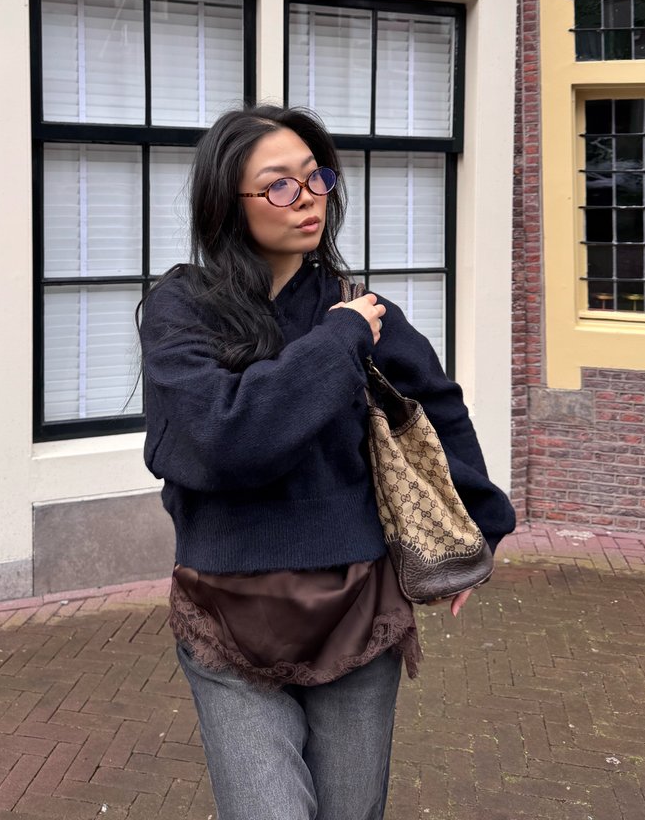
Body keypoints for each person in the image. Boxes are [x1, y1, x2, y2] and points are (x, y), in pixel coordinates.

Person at [140, 104, 516, 820]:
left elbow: (438, 411)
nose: (308, 196)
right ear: (228, 201)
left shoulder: (360, 309)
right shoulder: (182, 310)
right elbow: (224, 439)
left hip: (357, 609)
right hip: (226, 616)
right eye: (280, 184)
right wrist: (339, 341)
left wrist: (480, 532)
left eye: (316, 177)